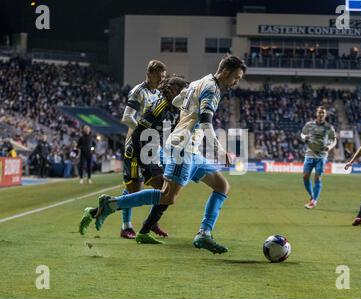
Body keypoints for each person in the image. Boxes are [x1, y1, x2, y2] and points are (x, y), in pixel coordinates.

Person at [90, 55, 246, 254]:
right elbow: (206, 122)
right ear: (225, 72)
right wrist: (220, 149)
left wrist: (187, 116)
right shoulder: (212, 90)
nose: (236, 82)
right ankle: (111, 204)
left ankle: (204, 233)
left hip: (189, 148)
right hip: (183, 149)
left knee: (222, 186)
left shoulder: (201, 81)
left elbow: (180, 99)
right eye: (236, 77)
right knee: (167, 197)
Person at [79, 77, 188, 239]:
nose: (185, 96)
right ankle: (126, 221)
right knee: (158, 192)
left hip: (152, 152)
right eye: (182, 92)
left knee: (163, 193)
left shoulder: (175, 108)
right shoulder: (158, 108)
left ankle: (145, 221)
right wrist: (143, 160)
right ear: (172, 91)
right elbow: (138, 133)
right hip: (140, 152)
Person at [118, 60, 167, 239]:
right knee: (133, 188)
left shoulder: (159, 93)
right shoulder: (139, 91)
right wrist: (143, 130)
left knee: (163, 185)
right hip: (135, 145)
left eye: (163, 77)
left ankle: (152, 222)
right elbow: (127, 117)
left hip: (152, 146)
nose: (161, 80)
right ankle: (126, 226)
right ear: (149, 74)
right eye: (159, 77)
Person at [301, 106, 337, 209]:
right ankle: (313, 196)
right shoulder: (309, 125)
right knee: (305, 177)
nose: (321, 114)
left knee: (318, 177)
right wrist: (304, 138)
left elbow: (334, 139)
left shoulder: (329, 127)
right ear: (316, 113)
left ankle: (314, 201)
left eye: (323, 113)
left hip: (321, 155)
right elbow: (302, 134)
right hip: (309, 154)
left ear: (325, 115)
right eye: (320, 112)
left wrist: (329, 146)